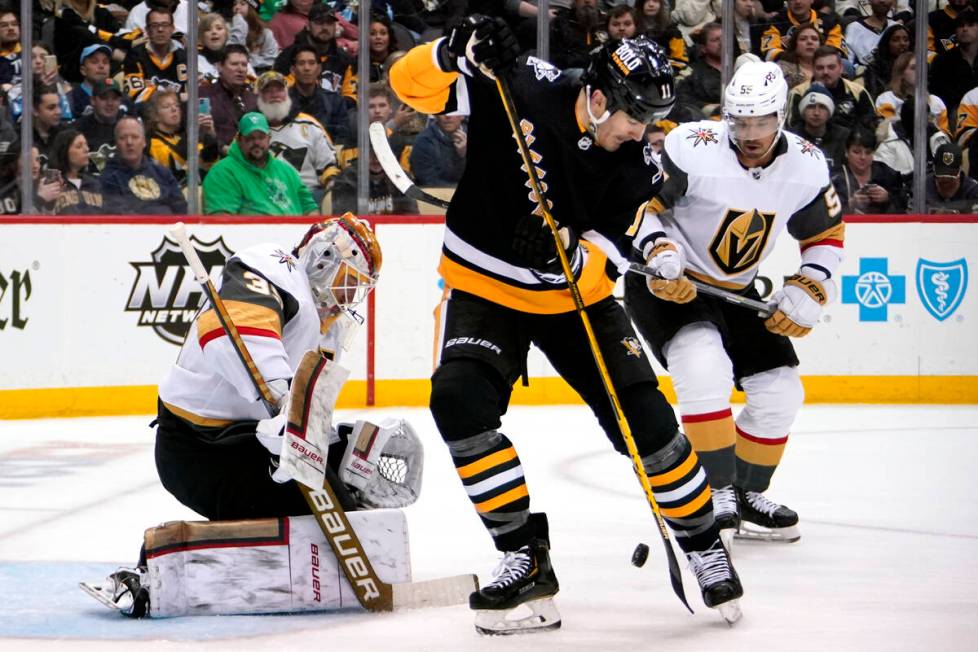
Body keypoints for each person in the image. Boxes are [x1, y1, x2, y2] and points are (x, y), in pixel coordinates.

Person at [390, 25, 742, 633]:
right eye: (636, 119)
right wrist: (452, 52)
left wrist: (598, 260)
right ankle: (523, 556)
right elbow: (408, 87)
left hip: (576, 302)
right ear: (602, 98)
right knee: (458, 402)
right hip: (482, 286)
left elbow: (619, 234)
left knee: (649, 425)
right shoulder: (519, 84)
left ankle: (703, 539)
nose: (642, 134)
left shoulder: (635, 162)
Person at [87, 215, 424, 618]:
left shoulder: (326, 329)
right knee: (314, 508)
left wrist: (332, 440)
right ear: (324, 258)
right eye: (348, 280)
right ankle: (161, 566)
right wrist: (287, 409)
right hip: (198, 449)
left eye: (358, 289)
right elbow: (226, 334)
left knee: (341, 489)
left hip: (245, 442)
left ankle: (303, 563)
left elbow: (297, 415)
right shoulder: (274, 266)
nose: (349, 296)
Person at [623, 62, 845, 551]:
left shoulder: (807, 165)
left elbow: (825, 235)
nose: (750, 134)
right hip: (668, 283)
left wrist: (811, 285)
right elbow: (639, 205)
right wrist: (659, 252)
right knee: (704, 367)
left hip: (738, 290)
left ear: (781, 115)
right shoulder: (689, 145)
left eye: (762, 122)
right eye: (740, 122)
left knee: (781, 391)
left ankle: (743, 493)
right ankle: (711, 490)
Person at [203, 112, 318, 215]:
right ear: (239, 140)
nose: (256, 142)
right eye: (250, 138)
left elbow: (310, 209)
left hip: (297, 235)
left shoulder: (286, 171)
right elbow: (221, 221)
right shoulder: (222, 173)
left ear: (269, 139)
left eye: (261, 137)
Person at [255, 70, 340, 204]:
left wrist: (331, 182)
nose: (274, 95)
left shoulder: (310, 125)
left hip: (308, 195)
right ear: (259, 97)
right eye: (268, 91)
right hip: (263, 198)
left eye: (279, 90)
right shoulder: (249, 129)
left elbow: (329, 164)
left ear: (287, 93)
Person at [100, 115, 188, 214]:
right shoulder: (109, 177)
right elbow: (119, 214)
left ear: (144, 142)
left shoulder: (162, 172)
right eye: (123, 138)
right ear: (116, 143)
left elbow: (181, 208)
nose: (129, 142)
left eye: (135, 137)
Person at [273, 4, 356, 103]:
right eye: (319, 22)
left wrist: (334, 109)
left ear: (335, 26)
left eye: (329, 23)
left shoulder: (344, 59)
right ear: (308, 25)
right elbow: (282, 92)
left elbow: (351, 96)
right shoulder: (289, 56)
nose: (325, 27)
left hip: (336, 115)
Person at [787, 46, 878, 132]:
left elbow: (869, 126)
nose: (825, 72)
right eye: (820, 68)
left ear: (841, 68)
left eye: (831, 67)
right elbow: (793, 128)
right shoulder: (798, 93)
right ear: (813, 69)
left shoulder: (858, 91)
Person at [145, 88, 220, 187]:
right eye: (166, 106)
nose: (174, 109)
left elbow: (209, 160)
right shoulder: (149, 142)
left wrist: (210, 134)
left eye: (176, 105)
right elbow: (176, 157)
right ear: (155, 115)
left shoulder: (184, 135)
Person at [122, 7, 189, 107]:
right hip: (146, 117)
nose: (160, 29)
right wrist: (179, 97)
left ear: (172, 29)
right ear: (147, 30)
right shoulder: (135, 55)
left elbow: (196, 94)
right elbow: (136, 95)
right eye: (154, 25)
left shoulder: (183, 57)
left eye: (165, 25)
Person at [831, 126, 906, 214]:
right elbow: (825, 209)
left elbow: (904, 202)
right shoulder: (835, 176)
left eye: (868, 153)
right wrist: (850, 203)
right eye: (856, 152)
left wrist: (888, 198)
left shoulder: (886, 173)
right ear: (846, 153)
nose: (863, 157)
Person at [199, 44, 259, 150]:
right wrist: (222, 147)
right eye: (234, 64)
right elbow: (196, 135)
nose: (240, 69)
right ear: (220, 67)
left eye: (244, 65)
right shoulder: (203, 95)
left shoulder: (254, 99)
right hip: (216, 159)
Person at [288, 44, 351, 144]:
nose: (307, 68)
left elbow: (342, 135)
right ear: (293, 70)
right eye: (301, 63)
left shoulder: (335, 101)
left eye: (312, 63)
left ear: (319, 69)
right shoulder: (283, 101)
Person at [754, 0, 846, 61]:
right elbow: (770, 53)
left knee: (845, 64)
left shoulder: (831, 22)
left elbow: (837, 51)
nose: (797, 1)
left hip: (823, 68)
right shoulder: (775, 23)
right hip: (788, 70)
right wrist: (799, 60)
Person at [930, 7, 978, 118]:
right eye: (961, 26)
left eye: (970, 25)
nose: (965, 29)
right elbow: (939, 95)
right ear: (955, 31)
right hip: (954, 112)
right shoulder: (943, 61)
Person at [48, 129, 104, 214]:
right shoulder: (52, 184)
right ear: (64, 151)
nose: (87, 149)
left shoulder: (95, 184)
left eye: (86, 145)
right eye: (79, 146)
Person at [796, 82, 849, 171]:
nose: (816, 113)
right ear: (803, 111)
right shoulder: (791, 138)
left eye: (822, 107)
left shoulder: (844, 137)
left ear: (829, 112)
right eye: (811, 107)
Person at [675, 22, 723, 116]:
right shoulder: (691, 72)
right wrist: (709, 107)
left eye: (724, 38)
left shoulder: (739, 67)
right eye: (715, 40)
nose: (722, 43)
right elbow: (683, 100)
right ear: (703, 48)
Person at [76, 79, 127, 166]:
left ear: (120, 102)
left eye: (114, 98)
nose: (110, 103)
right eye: (104, 98)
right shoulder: (78, 130)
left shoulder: (128, 128)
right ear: (93, 100)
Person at [409, 113, 467, 187]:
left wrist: (463, 155)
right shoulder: (424, 141)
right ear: (436, 115)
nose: (447, 116)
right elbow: (429, 181)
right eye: (443, 111)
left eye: (454, 111)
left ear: (462, 115)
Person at [927, 141, 978, 212]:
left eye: (951, 174)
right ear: (934, 169)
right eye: (942, 172)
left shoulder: (973, 191)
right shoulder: (923, 189)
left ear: (960, 170)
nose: (946, 178)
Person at [844, 0, 898, 65]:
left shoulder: (897, 27)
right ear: (869, 1)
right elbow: (848, 63)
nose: (882, 1)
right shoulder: (853, 28)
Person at [232, 0, 279, 73]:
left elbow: (271, 60)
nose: (237, 7)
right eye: (235, 4)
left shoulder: (265, 33)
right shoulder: (228, 29)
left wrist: (250, 60)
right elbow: (233, 52)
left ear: (252, 9)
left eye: (242, 4)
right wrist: (239, 25)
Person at [68, 44, 113, 118]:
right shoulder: (71, 98)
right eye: (94, 62)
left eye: (105, 62)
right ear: (83, 70)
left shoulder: (119, 96)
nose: (101, 66)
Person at [776, 23, 822, 90]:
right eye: (803, 39)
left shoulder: (829, 68)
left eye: (814, 39)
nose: (809, 42)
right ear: (795, 45)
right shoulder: (782, 69)